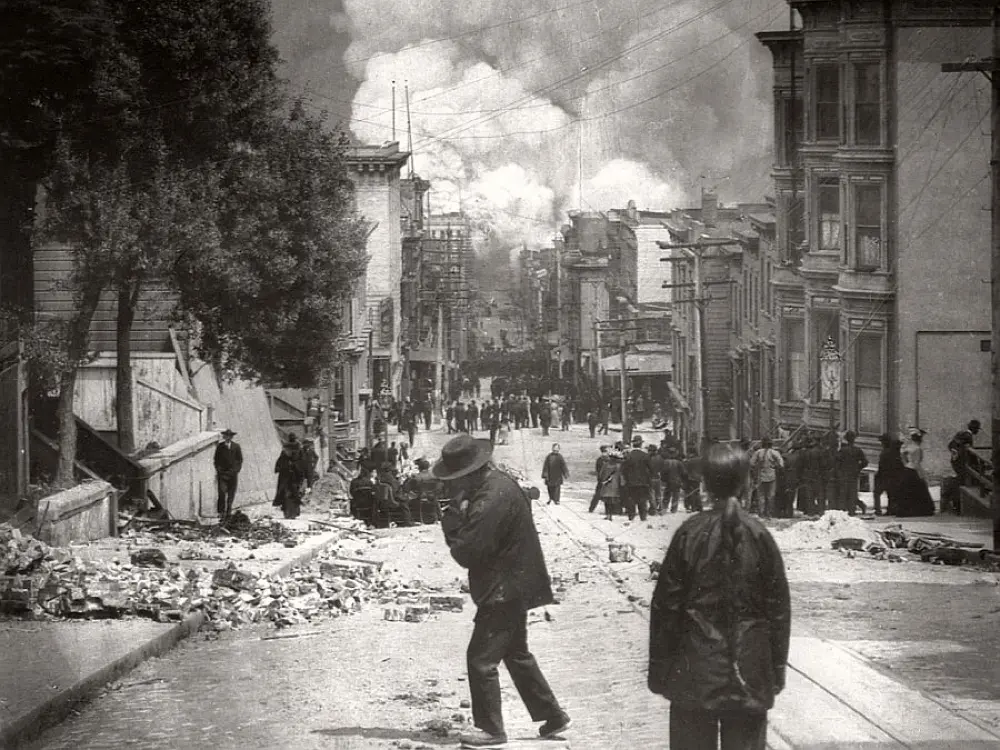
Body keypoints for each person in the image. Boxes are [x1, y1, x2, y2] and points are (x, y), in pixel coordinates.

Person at [648, 443, 791, 750]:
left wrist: (660, 669)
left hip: (693, 670)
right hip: (750, 669)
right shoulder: (760, 536)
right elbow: (779, 612)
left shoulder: (689, 533)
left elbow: (665, 609)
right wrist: (776, 670)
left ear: (706, 484)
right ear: (746, 482)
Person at [434, 435, 570, 748]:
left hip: (503, 588)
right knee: (516, 653)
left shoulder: (489, 498)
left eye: (456, 480)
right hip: (515, 584)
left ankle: (491, 729)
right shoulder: (498, 484)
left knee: (480, 659)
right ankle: (553, 715)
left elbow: (467, 552)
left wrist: (451, 521)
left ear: (469, 473)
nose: (453, 486)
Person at [834, 431, 869, 516]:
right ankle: (852, 510)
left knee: (843, 492)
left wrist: (839, 471)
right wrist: (858, 468)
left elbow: (837, 462)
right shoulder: (858, 450)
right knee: (852, 492)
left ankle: (843, 511)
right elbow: (865, 462)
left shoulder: (843, 450)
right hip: (854, 474)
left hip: (844, 474)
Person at [749, 437, 784, 518]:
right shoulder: (775, 452)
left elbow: (751, 463)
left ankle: (762, 513)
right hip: (772, 476)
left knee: (761, 496)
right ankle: (769, 513)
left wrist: (757, 467)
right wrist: (775, 466)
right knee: (771, 495)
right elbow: (781, 464)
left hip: (761, 476)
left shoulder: (758, 452)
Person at [213, 428, 243, 523]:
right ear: (224, 437)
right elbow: (216, 460)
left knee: (231, 494)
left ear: (232, 437)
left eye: (230, 436)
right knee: (222, 492)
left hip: (233, 474)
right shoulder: (220, 447)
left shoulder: (236, 447)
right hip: (222, 475)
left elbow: (240, 460)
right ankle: (221, 512)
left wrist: (236, 470)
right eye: (226, 436)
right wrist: (219, 471)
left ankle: (228, 512)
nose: (228, 438)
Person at [621, 435, 652, 521]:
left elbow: (623, 469)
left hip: (631, 482)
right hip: (643, 482)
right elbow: (651, 469)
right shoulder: (645, 455)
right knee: (642, 500)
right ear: (641, 445)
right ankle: (643, 516)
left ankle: (631, 516)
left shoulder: (629, 455)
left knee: (631, 499)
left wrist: (626, 479)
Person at [273, 435, 305, 519]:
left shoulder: (285, 449)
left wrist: (278, 468)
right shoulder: (299, 449)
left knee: (286, 494)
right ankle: (293, 513)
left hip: (286, 475)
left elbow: (280, 461)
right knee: (294, 493)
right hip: (294, 475)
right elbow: (301, 461)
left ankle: (288, 513)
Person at [874, 434, 905, 516]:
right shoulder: (894, 452)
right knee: (890, 494)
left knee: (877, 493)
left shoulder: (884, 453)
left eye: (882, 442)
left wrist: (878, 475)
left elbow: (881, 465)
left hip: (884, 476)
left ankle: (878, 510)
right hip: (893, 476)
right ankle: (891, 510)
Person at [589, 445, 610, 512]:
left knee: (597, 496)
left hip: (601, 480)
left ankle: (591, 508)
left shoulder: (600, 459)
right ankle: (592, 508)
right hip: (604, 480)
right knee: (601, 495)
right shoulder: (604, 459)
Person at [648, 444, 665, 515]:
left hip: (650, 478)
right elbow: (663, 467)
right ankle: (661, 508)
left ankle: (653, 509)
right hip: (658, 477)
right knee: (658, 494)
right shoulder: (660, 458)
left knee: (651, 494)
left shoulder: (648, 458)